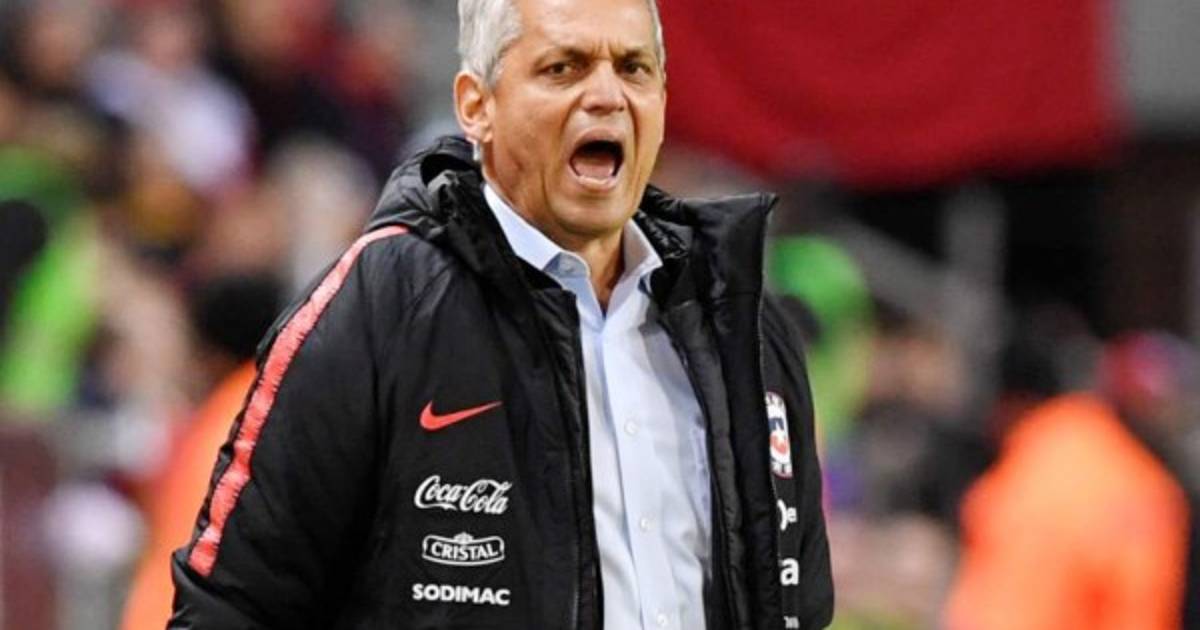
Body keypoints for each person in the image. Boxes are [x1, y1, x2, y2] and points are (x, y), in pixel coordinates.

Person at [169, 0, 833, 628]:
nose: (607, 95)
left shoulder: (742, 326)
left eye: (634, 68)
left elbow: (797, 603)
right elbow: (231, 605)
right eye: (564, 67)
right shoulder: (382, 303)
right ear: (476, 107)